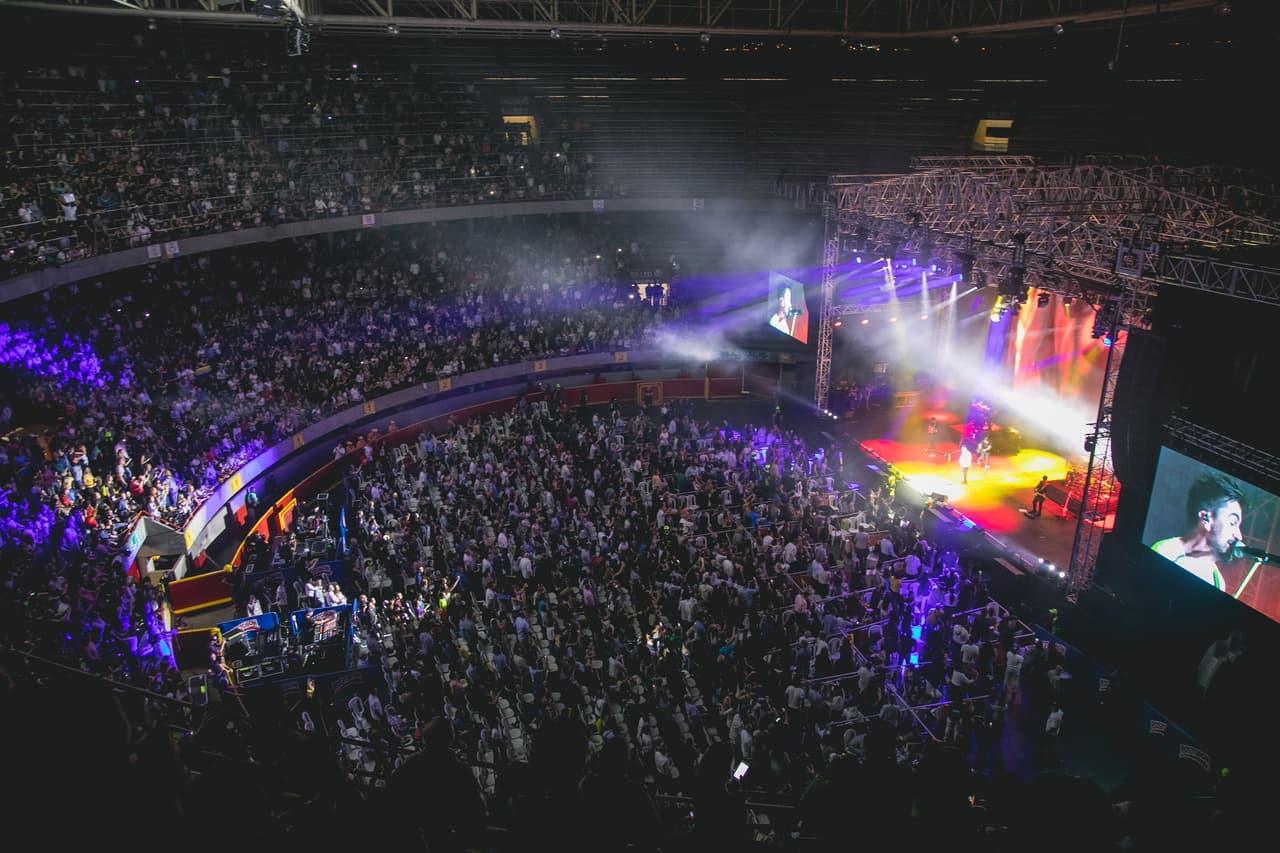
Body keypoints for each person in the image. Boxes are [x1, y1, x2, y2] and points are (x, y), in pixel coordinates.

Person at [1150, 472, 1245, 591]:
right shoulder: (1166, 552)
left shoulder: (1218, 581)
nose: (1239, 536)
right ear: (1206, 519)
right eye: (1232, 522)